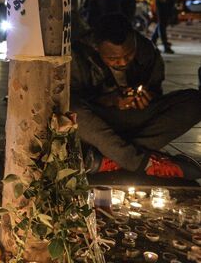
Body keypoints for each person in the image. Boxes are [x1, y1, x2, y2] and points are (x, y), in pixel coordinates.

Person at [71, 13, 201, 179]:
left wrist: (146, 98)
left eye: (128, 55)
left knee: (194, 101)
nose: (123, 62)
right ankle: (137, 161)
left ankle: (111, 159)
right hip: (99, 122)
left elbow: (155, 90)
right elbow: (75, 100)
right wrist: (110, 100)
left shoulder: (145, 49)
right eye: (113, 58)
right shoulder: (79, 55)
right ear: (97, 47)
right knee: (72, 109)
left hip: (135, 119)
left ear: (133, 39)